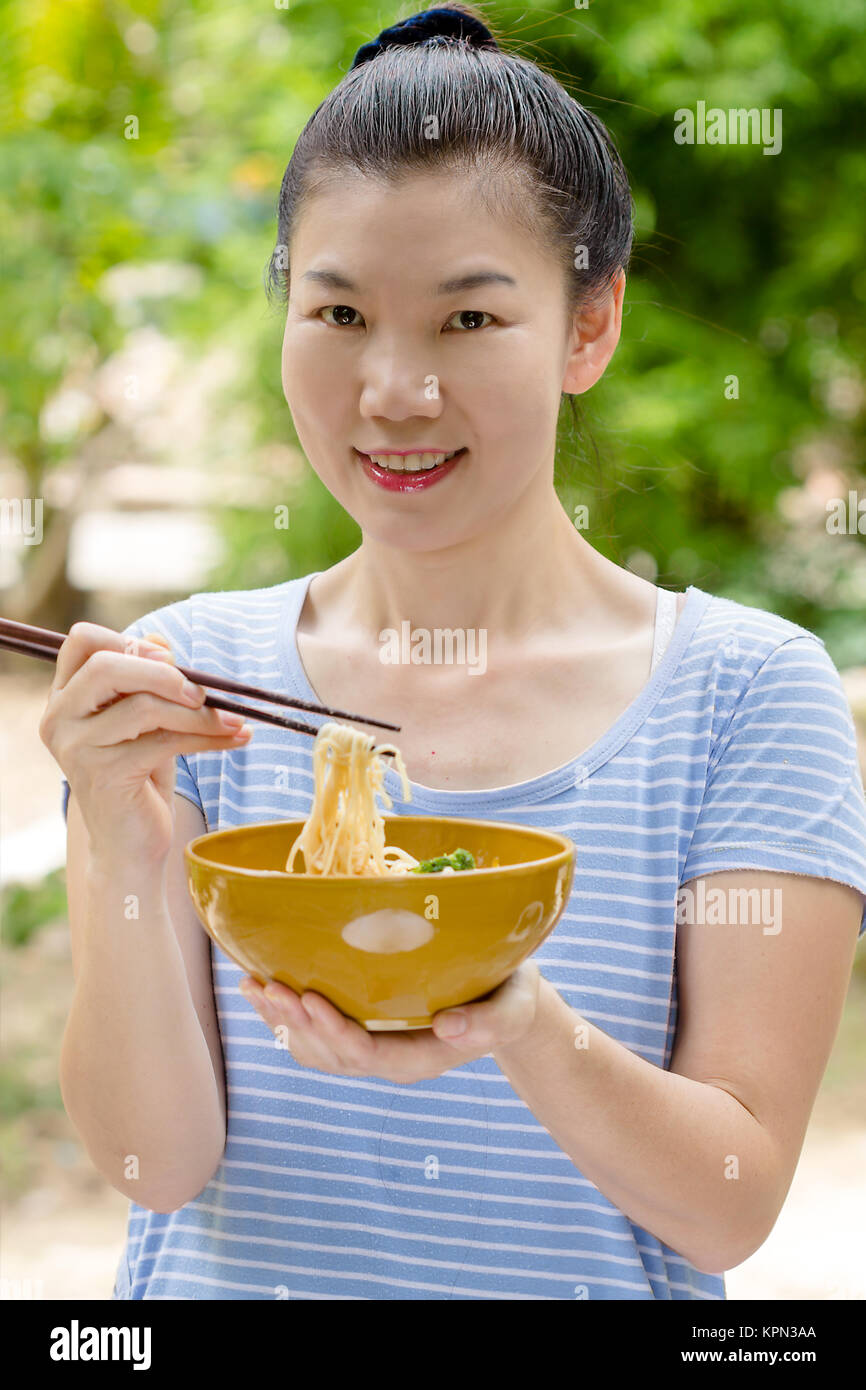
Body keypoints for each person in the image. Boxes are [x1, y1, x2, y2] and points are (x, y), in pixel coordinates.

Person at [44, 4, 866, 1301]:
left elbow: (729, 1206)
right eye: (338, 311)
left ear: (588, 327)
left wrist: (518, 1020)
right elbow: (154, 1161)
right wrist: (122, 842)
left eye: (468, 321)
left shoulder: (743, 695)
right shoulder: (186, 679)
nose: (392, 390)